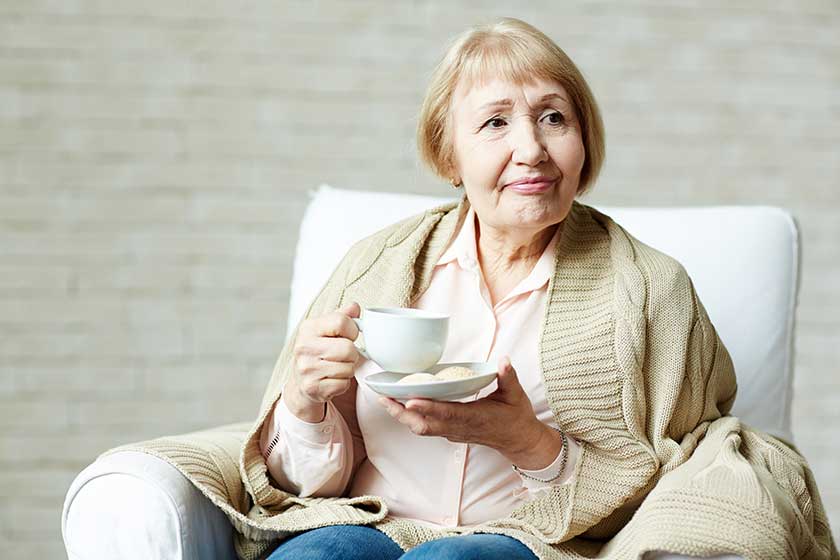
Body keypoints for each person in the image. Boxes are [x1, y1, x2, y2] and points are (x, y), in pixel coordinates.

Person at [116, 17, 837, 560]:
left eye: (554, 116)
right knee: (319, 553)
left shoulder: (652, 290)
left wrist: (525, 440)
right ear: (448, 153)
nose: (532, 148)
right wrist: (306, 407)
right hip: (374, 523)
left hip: (531, 543)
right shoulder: (377, 264)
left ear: (584, 143)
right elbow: (303, 486)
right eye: (495, 123)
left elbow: (671, 485)